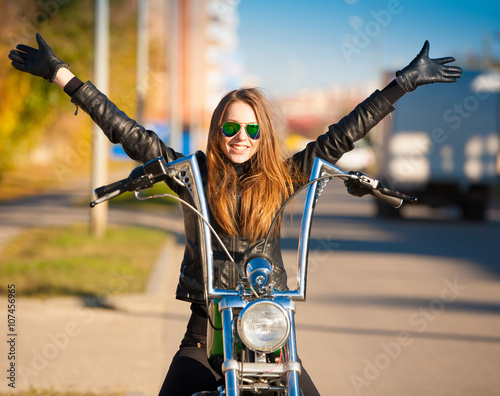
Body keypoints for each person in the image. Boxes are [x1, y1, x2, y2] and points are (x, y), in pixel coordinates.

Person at [9, 33, 462, 395]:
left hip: (268, 322)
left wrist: (403, 83)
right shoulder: (195, 175)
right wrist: (62, 75)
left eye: (250, 128)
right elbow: (129, 133)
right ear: (217, 131)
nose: (240, 136)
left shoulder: (284, 176)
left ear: (262, 134)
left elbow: (340, 138)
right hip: (206, 326)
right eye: (230, 126)